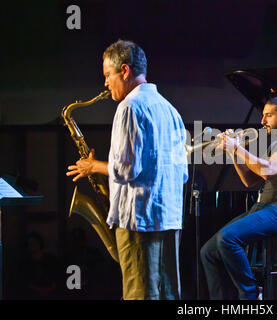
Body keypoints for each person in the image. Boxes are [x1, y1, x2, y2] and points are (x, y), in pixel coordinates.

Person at [67, 40, 188, 300]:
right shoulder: (170, 110)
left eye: (108, 75)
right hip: (169, 218)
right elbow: (183, 172)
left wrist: (93, 166)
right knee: (169, 295)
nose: (105, 83)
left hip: (139, 221)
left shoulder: (130, 107)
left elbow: (125, 169)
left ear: (124, 71)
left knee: (138, 294)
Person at [200, 96, 277, 300]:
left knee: (228, 239)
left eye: (268, 116)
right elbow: (249, 181)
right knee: (208, 251)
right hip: (266, 208)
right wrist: (233, 152)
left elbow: (268, 170)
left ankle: (251, 296)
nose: (262, 121)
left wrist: (237, 147)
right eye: (263, 116)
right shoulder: (276, 146)